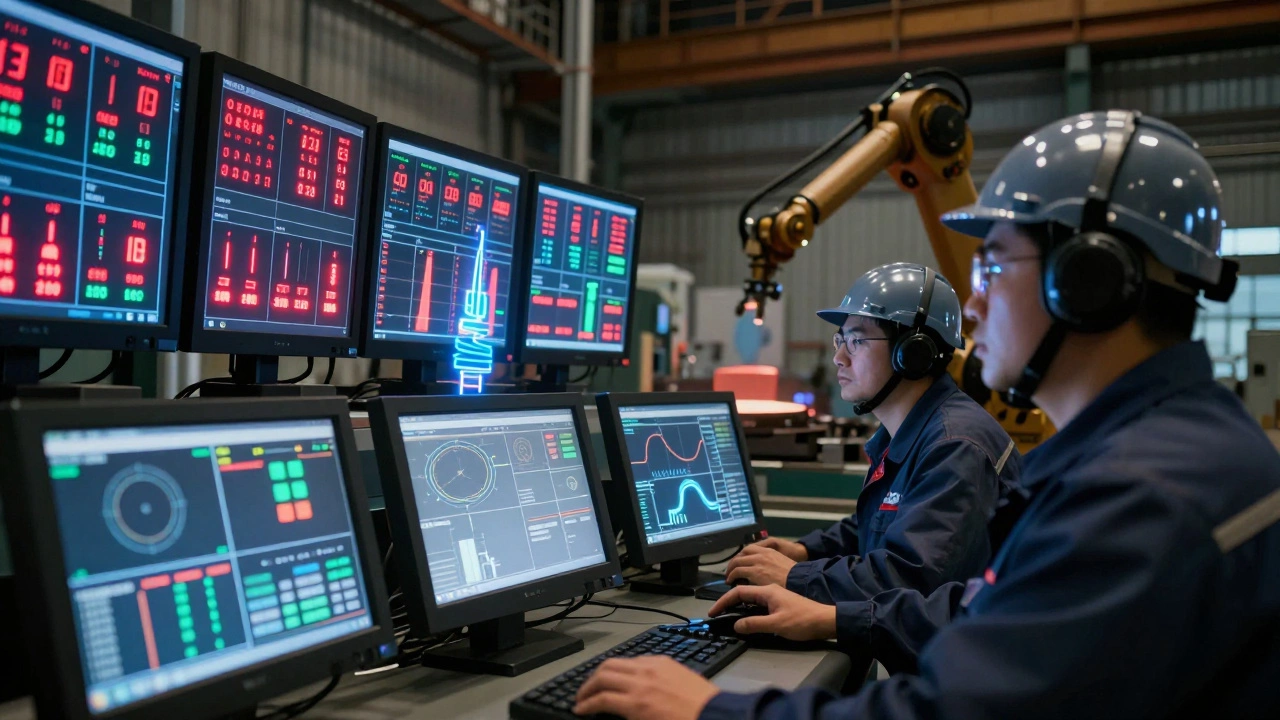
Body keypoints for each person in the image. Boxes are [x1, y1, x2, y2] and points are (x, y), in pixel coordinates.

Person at [573, 110, 1280, 720]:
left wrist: (708, 708)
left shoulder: (1138, 498)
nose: (972, 308)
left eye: (994, 267)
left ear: (1087, 283)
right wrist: (835, 611)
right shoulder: (1164, 451)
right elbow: (989, 610)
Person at [725, 262, 1020, 615]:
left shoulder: (955, 447)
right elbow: (883, 525)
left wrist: (794, 576)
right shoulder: (910, 433)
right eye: (840, 339)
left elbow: (905, 577)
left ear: (913, 353)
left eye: (857, 340)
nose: (838, 357)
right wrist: (805, 552)